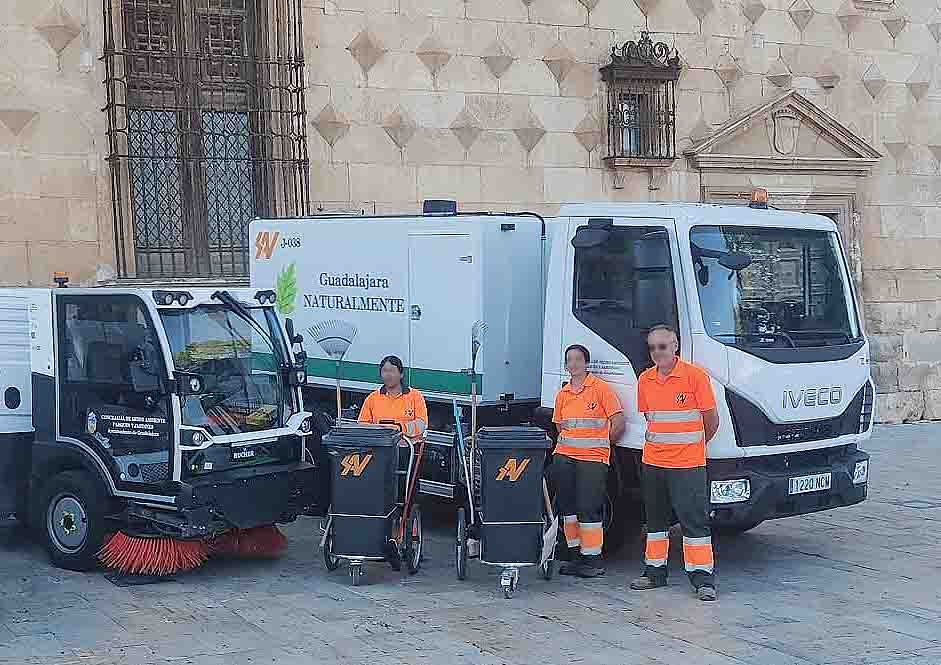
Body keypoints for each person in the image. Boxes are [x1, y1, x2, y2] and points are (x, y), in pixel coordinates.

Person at [631, 325, 720, 602]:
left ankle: (703, 580)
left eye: (663, 346)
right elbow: (651, 420)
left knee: (694, 522)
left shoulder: (695, 376)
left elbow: (711, 420)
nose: (657, 352)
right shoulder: (645, 379)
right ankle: (654, 573)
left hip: (688, 464)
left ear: (675, 346)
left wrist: (693, 447)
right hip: (654, 462)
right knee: (656, 522)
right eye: (652, 348)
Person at [549, 344, 625, 578]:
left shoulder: (601, 389)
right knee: (567, 508)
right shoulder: (563, 393)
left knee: (588, 508)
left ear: (586, 363)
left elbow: (618, 423)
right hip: (564, 458)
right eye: (569, 360)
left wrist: (600, 444)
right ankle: (575, 556)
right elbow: (560, 425)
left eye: (578, 359)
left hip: (593, 460)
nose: (573, 364)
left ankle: (592, 560)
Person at [358, 355, 428, 439]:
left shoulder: (415, 396)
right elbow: (362, 424)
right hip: (379, 445)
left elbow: (422, 424)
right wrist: (379, 430)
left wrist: (400, 428)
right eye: (384, 371)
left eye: (392, 371)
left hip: (406, 446)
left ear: (401, 374)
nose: (388, 375)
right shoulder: (372, 398)